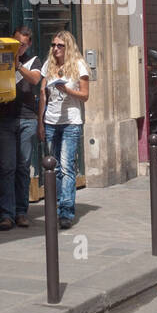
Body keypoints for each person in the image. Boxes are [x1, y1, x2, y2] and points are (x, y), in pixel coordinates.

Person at [38, 31, 90, 227]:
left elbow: (85, 95)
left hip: (70, 122)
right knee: (54, 167)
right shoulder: (48, 65)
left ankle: (66, 211)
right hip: (51, 122)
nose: (55, 49)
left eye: (60, 45)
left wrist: (67, 90)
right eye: (53, 45)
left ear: (68, 47)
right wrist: (40, 121)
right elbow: (43, 94)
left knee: (67, 167)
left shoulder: (79, 65)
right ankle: (56, 206)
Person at [0, 26, 41, 231]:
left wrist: (18, 66)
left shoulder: (33, 61)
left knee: (22, 168)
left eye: (22, 44)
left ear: (28, 44)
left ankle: (21, 212)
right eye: (15, 43)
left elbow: (35, 79)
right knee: (7, 168)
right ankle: (6, 214)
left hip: (27, 119)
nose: (18, 47)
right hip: (4, 119)